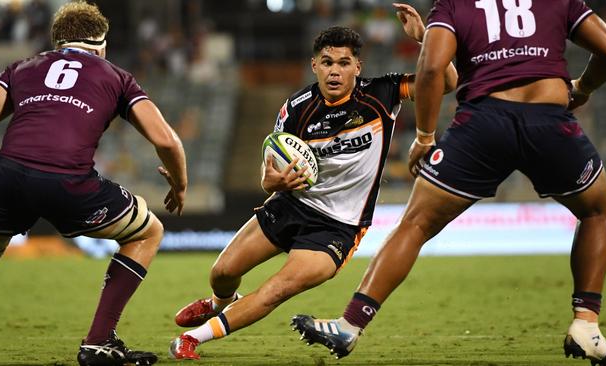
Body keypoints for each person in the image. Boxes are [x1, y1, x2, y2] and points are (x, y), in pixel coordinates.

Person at [291, 1, 606, 365]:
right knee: (595, 212)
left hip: (484, 126)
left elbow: (432, 68)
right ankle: (586, 325)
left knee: (415, 224)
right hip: (549, 120)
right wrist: (584, 88)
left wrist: (424, 136)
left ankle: (350, 325)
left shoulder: (454, 3)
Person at [168, 5, 457, 360]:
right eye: (327, 62)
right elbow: (268, 171)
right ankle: (219, 303)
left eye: (343, 62)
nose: (335, 70)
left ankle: (193, 338)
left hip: (338, 226)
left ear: (357, 67)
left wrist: (425, 37)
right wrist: (272, 180)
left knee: (275, 290)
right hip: (291, 204)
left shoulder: (382, 95)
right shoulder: (296, 108)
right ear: (314, 66)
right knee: (223, 272)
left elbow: (445, 81)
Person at [0, 2, 187, 366]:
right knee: (147, 233)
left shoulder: (21, 68)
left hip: (9, 177)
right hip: (69, 182)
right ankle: (98, 342)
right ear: (101, 44)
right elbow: (167, 140)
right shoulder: (116, 76)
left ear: (57, 42)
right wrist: (180, 185)